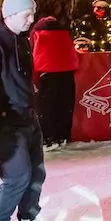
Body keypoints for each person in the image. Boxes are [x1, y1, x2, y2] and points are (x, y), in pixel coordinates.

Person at [0, 0, 56, 221]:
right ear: (10, 15)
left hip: (28, 118)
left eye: (32, 14)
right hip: (7, 124)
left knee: (36, 172)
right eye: (27, 15)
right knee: (18, 176)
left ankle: (28, 219)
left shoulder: (22, 41)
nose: (32, 20)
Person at [31, 14, 77, 150]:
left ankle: (48, 138)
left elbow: (33, 53)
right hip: (66, 71)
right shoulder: (64, 32)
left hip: (46, 72)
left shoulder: (37, 31)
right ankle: (62, 136)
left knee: (46, 108)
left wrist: (34, 78)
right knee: (65, 106)